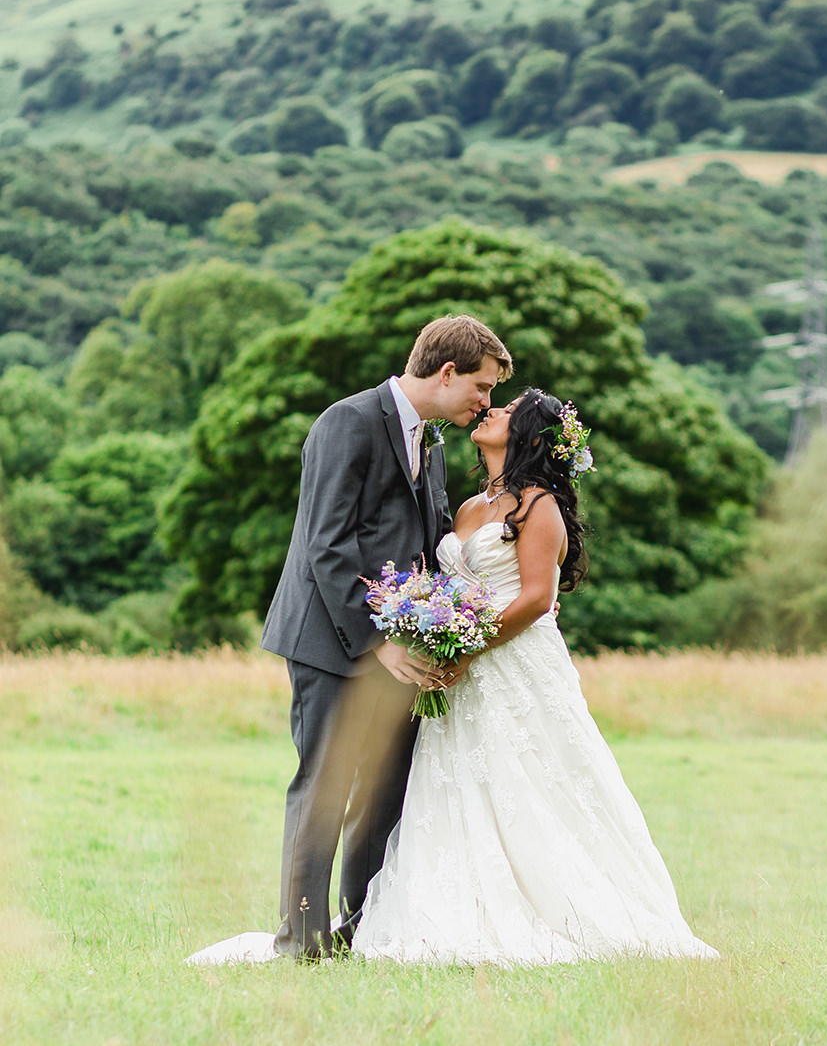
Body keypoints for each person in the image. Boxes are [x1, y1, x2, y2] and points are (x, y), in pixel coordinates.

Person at [349, 389, 718, 965]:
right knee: (459, 781)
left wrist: (468, 648)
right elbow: (452, 586)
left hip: (513, 661)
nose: (490, 411)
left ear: (526, 436)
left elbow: (538, 597)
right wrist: (430, 628)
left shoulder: (538, 505)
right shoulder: (472, 507)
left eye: (506, 410)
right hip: (460, 668)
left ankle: (562, 908)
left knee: (530, 777)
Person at [187, 315, 512, 966]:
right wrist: (376, 640)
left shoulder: (435, 443)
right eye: (480, 386)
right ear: (445, 373)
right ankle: (298, 942)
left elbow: (427, 545)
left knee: (385, 791)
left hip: (405, 648)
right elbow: (326, 546)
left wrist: (449, 627)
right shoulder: (347, 422)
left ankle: (361, 929)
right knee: (325, 787)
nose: (485, 402)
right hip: (332, 641)